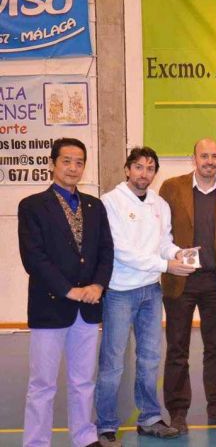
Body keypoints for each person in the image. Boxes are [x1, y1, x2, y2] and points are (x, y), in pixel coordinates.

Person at [95, 147, 195, 445]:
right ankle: (106, 424)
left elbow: (164, 242)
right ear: (127, 169)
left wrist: (179, 253)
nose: (144, 173)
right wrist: (166, 265)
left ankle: (150, 417)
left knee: (150, 358)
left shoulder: (159, 204)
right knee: (113, 362)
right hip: (119, 292)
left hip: (151, 291)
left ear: (155, 173)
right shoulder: (110, 202)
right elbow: (121, 251)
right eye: (138, 167)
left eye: (150, 168)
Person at [18, 138, 114, 447]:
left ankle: (85, 437)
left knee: (83, 380)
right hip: (51, 307)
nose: (73, 168)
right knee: (43, 384)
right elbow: (34, 258)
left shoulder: (94, 206)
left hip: (88, 307)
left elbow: (105, 251)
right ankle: (36, 442)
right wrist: (69, 290)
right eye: (66, 161)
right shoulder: (32, 206)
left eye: (79, 162)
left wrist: (98, 285)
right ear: (52, 164)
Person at [159, 138, 216, 434]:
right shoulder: (171, 188)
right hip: (181, 279)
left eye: (215, 156)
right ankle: (177, 412)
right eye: (204, 156)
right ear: (194, 159)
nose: (210, 161)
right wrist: (172, 258)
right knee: (177, 349)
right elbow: (161, 231)